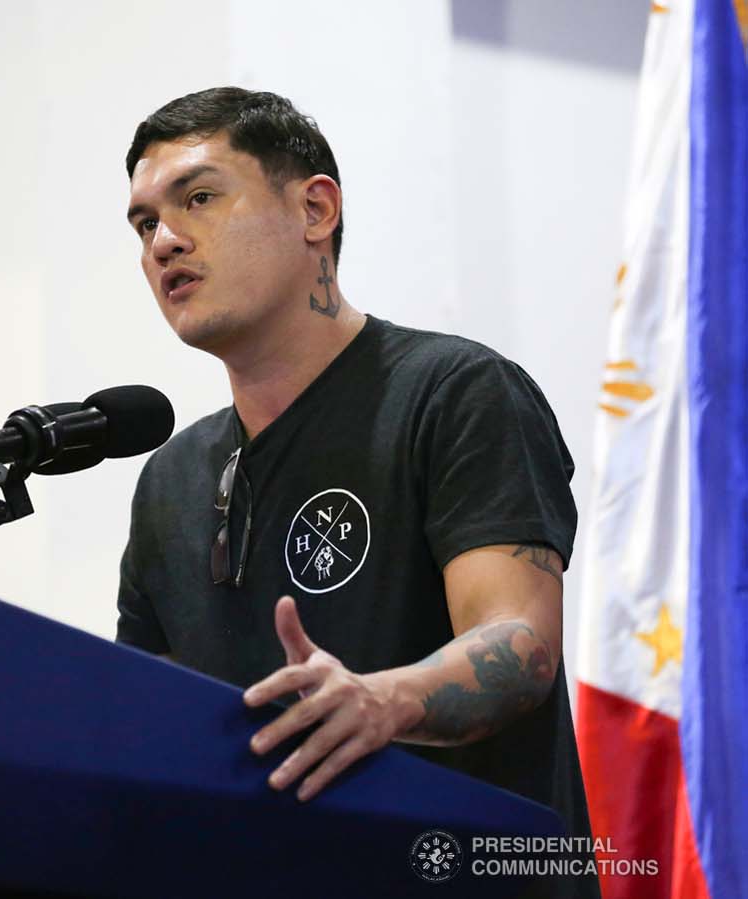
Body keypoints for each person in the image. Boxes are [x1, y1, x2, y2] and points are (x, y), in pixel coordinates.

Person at [115, 87, 599, 898]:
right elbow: (144, 727)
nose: (164, 241)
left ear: (315, 209)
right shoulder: (168, 480)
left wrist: (383, 700)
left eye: (198, 197)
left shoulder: (453, 392)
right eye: (142, 223)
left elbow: (520, 644)